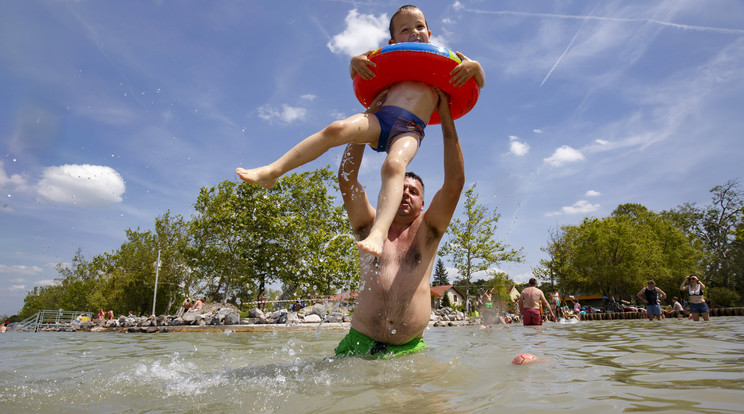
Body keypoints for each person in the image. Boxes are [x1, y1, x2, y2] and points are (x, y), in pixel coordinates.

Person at [236, 4, 484, 258]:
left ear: (429, 34)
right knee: (337, 128)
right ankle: (273, 171)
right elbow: (359, 66)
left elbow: (480, 79)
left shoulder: (446, 62)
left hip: (410, 129)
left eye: (420, 27)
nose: (414, 32)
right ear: (393, 40)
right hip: (380, 119)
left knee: (393, 165)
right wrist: (354, 61)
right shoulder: (388, 56)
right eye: (406, 29)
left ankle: (379, 232)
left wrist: (475, 67)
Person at [334, 85, 465, 358]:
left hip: (409, 350)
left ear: (423, 204)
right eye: (400, 188)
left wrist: (445, 116)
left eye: (414, 191)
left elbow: (454, 184)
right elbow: (347, 181)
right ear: (387, 193)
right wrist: (366, 122)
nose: (405, 193)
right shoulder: (370, 226)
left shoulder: (428, 230)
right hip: (359, 344)